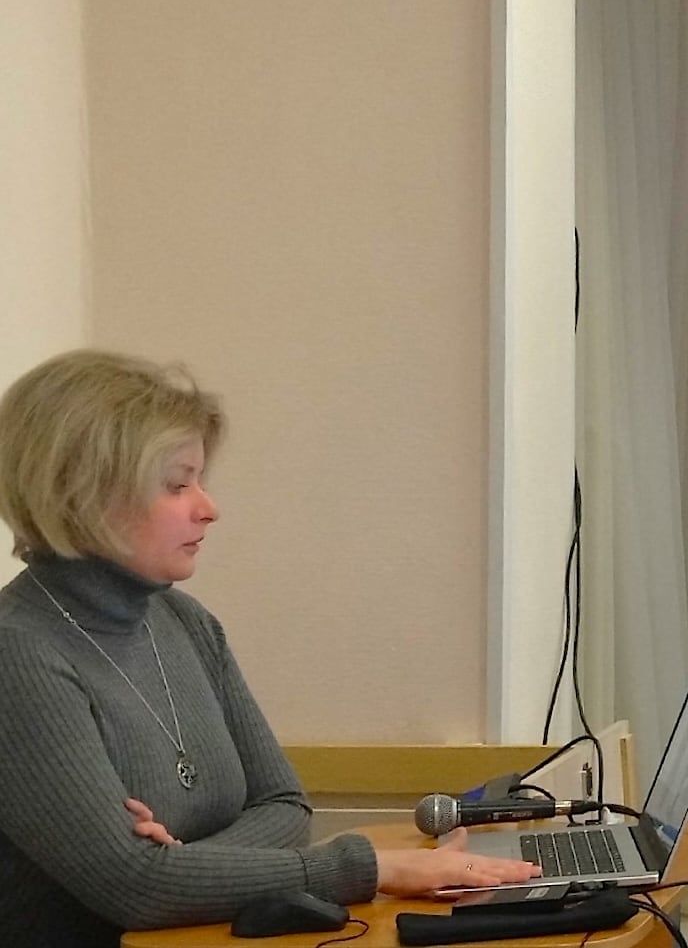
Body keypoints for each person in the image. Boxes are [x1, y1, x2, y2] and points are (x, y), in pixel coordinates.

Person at [0, 350, 538, 946]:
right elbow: (138, 889)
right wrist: (372, 867)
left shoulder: (184, 621)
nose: (209, 509)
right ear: (81, 495)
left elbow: (285, 807)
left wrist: (183, 868)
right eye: (177, 485)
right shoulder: (18, 652)